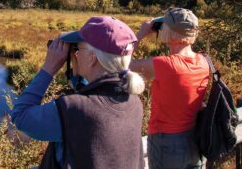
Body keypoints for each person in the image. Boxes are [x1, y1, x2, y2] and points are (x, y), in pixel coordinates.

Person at [11, 16, 145, 169]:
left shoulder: (73, 109)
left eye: (78, 49)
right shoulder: (133, 101)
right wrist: (79, 76)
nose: (75, 54)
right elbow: (93, 108)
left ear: (92, 57)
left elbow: (20, 116)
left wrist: (49, 68)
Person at [130, 7, 209, 169]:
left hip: (166, 143)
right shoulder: (204, 61)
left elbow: (120, 64)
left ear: (168, 32)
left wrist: (141, 33)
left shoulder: (164, 65)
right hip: (195, 141)